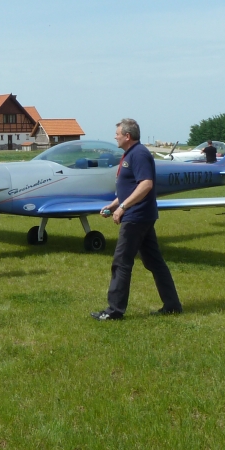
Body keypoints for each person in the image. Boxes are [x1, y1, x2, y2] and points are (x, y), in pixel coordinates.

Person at [92, 118, 183, 320]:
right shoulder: (131, 153)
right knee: (154, 262)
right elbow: (132, 187)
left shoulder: (139, 154)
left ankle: (114, 311)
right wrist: (114, 205)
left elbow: (146, 185)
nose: (114, 137)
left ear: (127, 136)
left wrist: (123, 207)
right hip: (140, 215)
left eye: (117, 134)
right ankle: (172, 305)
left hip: (136, 216)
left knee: (121, 262)